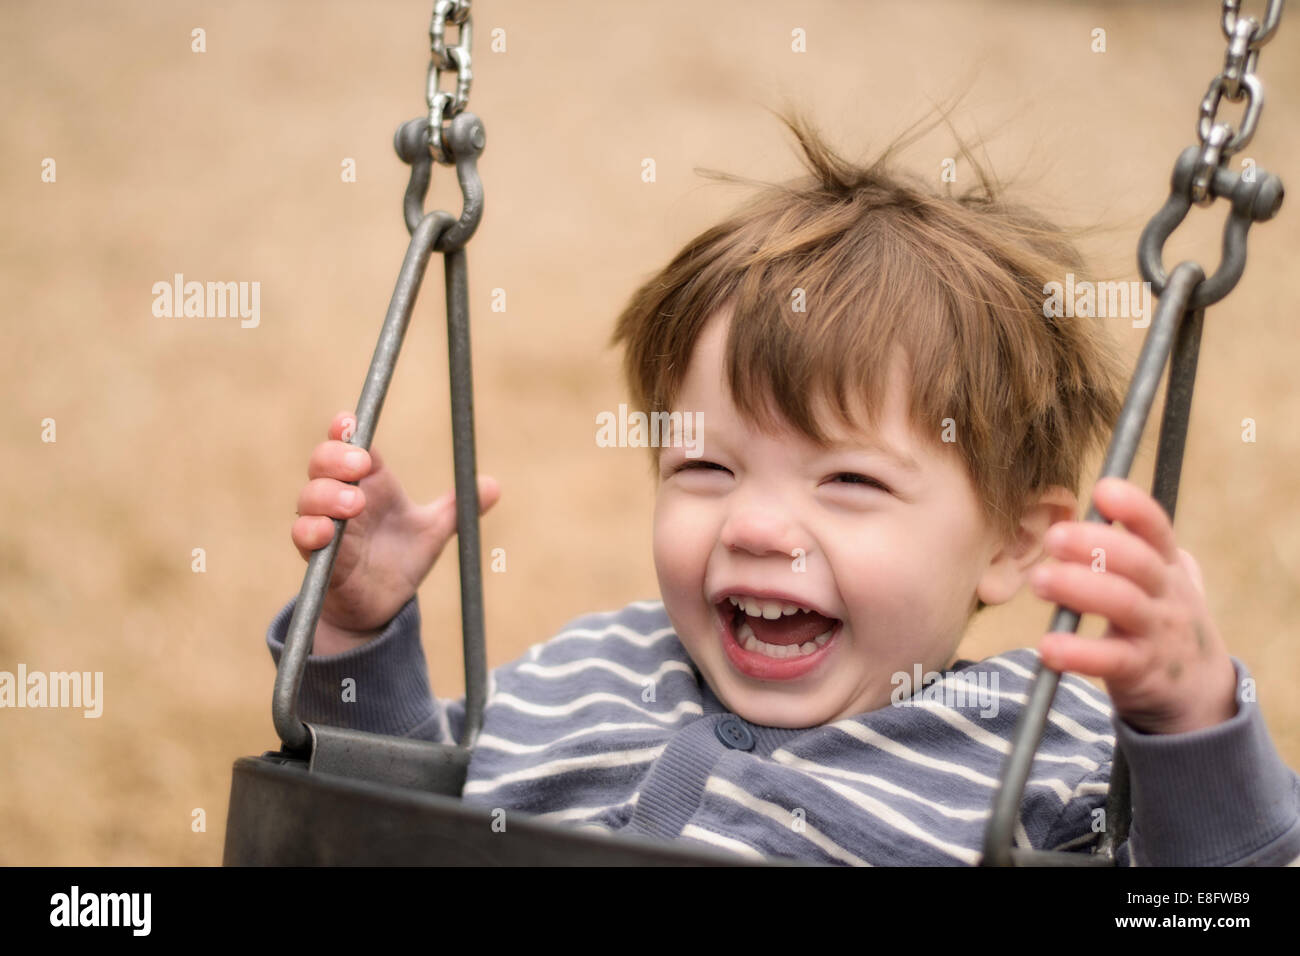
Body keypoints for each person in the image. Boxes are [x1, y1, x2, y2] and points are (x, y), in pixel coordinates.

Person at [267, 108, 1300, 865]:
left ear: (1015, 542)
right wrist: (359, 636)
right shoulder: (583, 675)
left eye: (848, 478)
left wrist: (1188, 721)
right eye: (705, 467)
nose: (757, 523)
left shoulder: (1044, 751)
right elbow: (383, 829)